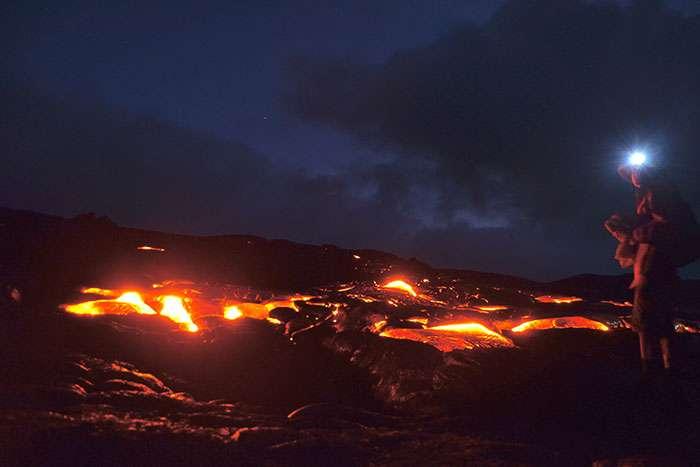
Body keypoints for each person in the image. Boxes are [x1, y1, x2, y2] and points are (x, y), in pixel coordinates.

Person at [617, 164, 698, 376]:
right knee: (662, 320)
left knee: (645, 321)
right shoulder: (651, 196)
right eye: (632, 172)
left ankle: (651, 372)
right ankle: (667, 369)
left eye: (637, 171)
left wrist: (637, 235)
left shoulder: (657, 195)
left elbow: (663, 222)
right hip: (660, 267)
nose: (634, 176)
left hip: (654, 266)